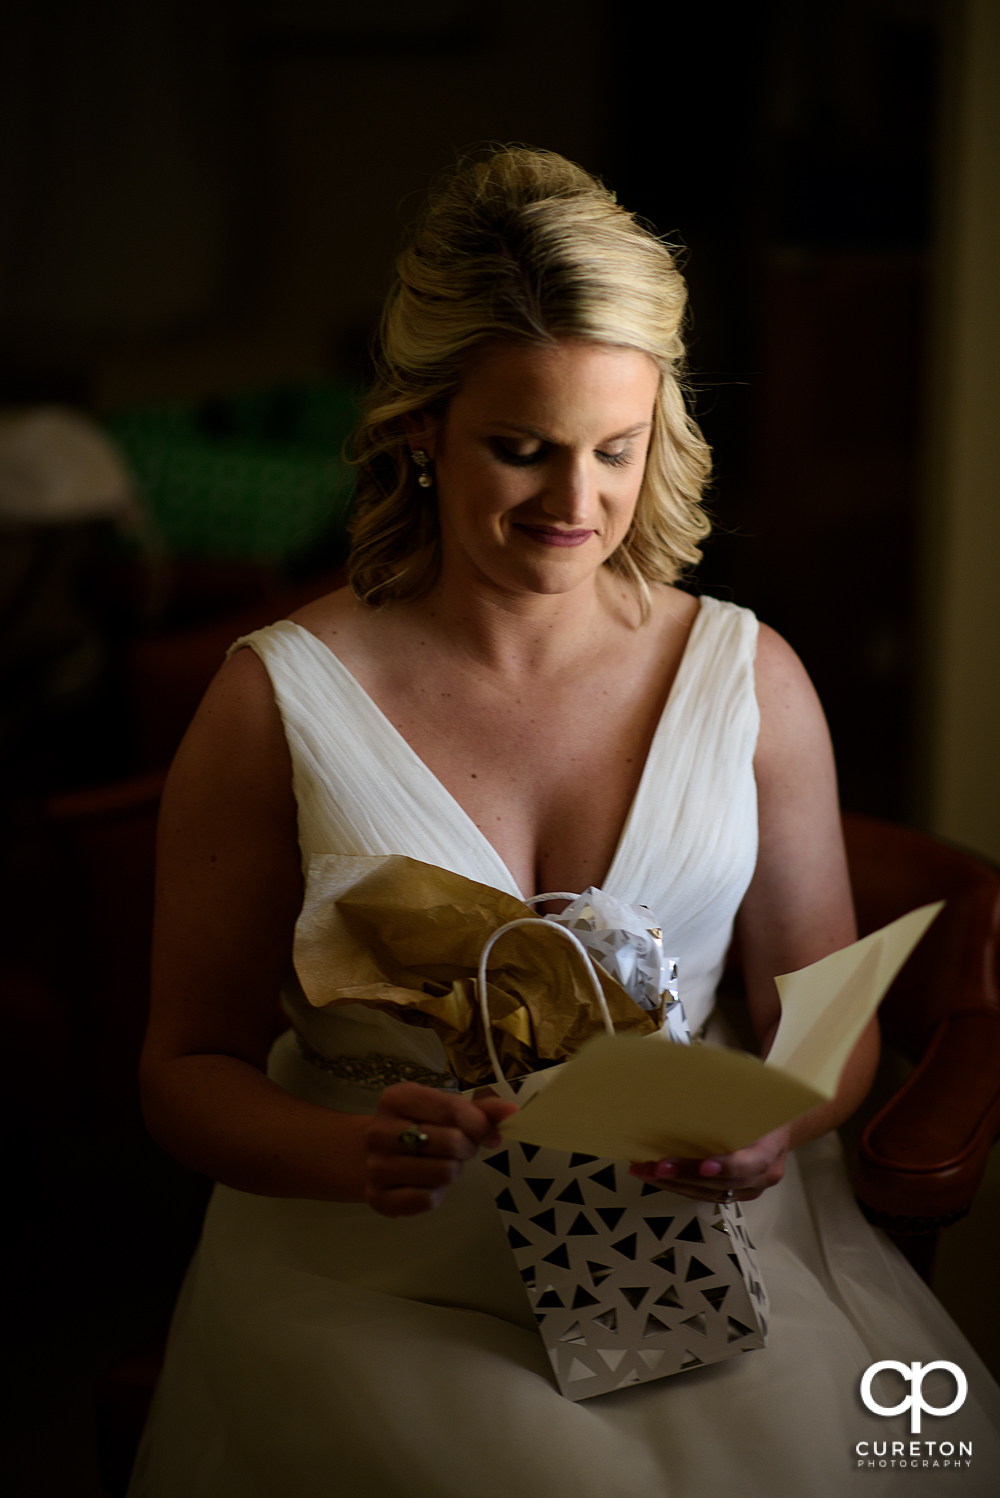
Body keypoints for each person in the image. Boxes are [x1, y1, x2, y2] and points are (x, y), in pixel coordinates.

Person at [131, 148, 999, 1497]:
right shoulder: (271, 702)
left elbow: (826, 1007)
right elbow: (182, 1062)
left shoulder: (749, 675)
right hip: (369, 1273)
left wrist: (779, 1123)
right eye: (521, 448)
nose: (576, 507)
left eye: (615, 449)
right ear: (422, 426)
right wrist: (341, 1151)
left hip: (694, 1254)